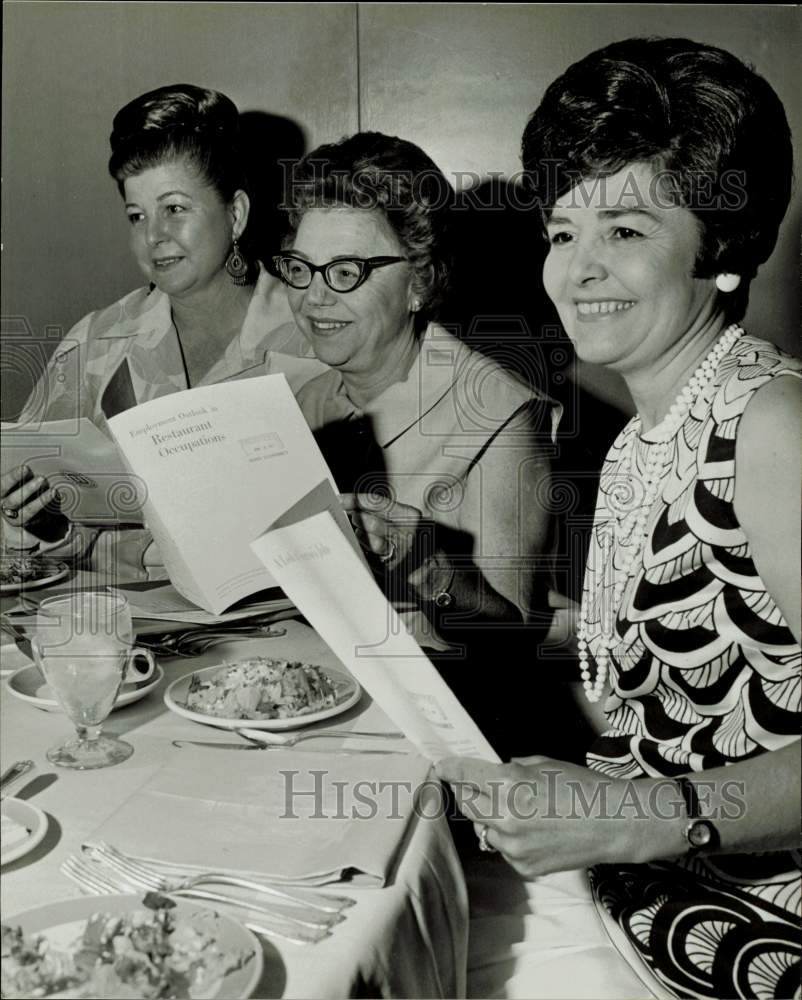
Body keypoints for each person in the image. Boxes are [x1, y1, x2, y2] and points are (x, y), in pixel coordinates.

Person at [437, 37, 801, 999]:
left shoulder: (775, 427)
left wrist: (630, 815)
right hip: (653, 886)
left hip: (756, 932)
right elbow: (666, 668)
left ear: (721, 248)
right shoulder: (653, 426)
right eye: (562, 232)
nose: (576, 272)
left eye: (626, 231)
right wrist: (453, 596)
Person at [273, 131, 561, 750]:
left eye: (346, 271)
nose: (313, 296)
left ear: (420, 283)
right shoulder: (300, 404)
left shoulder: (501, 411)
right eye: (300, 268)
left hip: (445, 734)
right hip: (313, 705)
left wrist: (429, 567)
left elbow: (514, 640)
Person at [0, 84, 324, 581]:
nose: (153, 237)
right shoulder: (97, 343)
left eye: (175, 209)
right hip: (123, 627)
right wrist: (38, 523)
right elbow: (37, 533)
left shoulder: (318, 336)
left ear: (235, 214)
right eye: (137, 216)